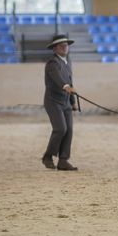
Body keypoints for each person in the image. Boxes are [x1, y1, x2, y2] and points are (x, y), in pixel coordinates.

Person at [41, 34, 79, 171]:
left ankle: (63, 160)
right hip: (53, 101)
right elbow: (57, 79)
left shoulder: (67, 62)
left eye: (66, 45)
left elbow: (70, 81)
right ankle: (48, 156)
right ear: (55, 48)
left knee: (69, 130)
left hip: (65, 102)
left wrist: (72, 101)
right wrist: (65, 86)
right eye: (60, 45)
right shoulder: (52, 63)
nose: (64, 47)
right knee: (60, 129)